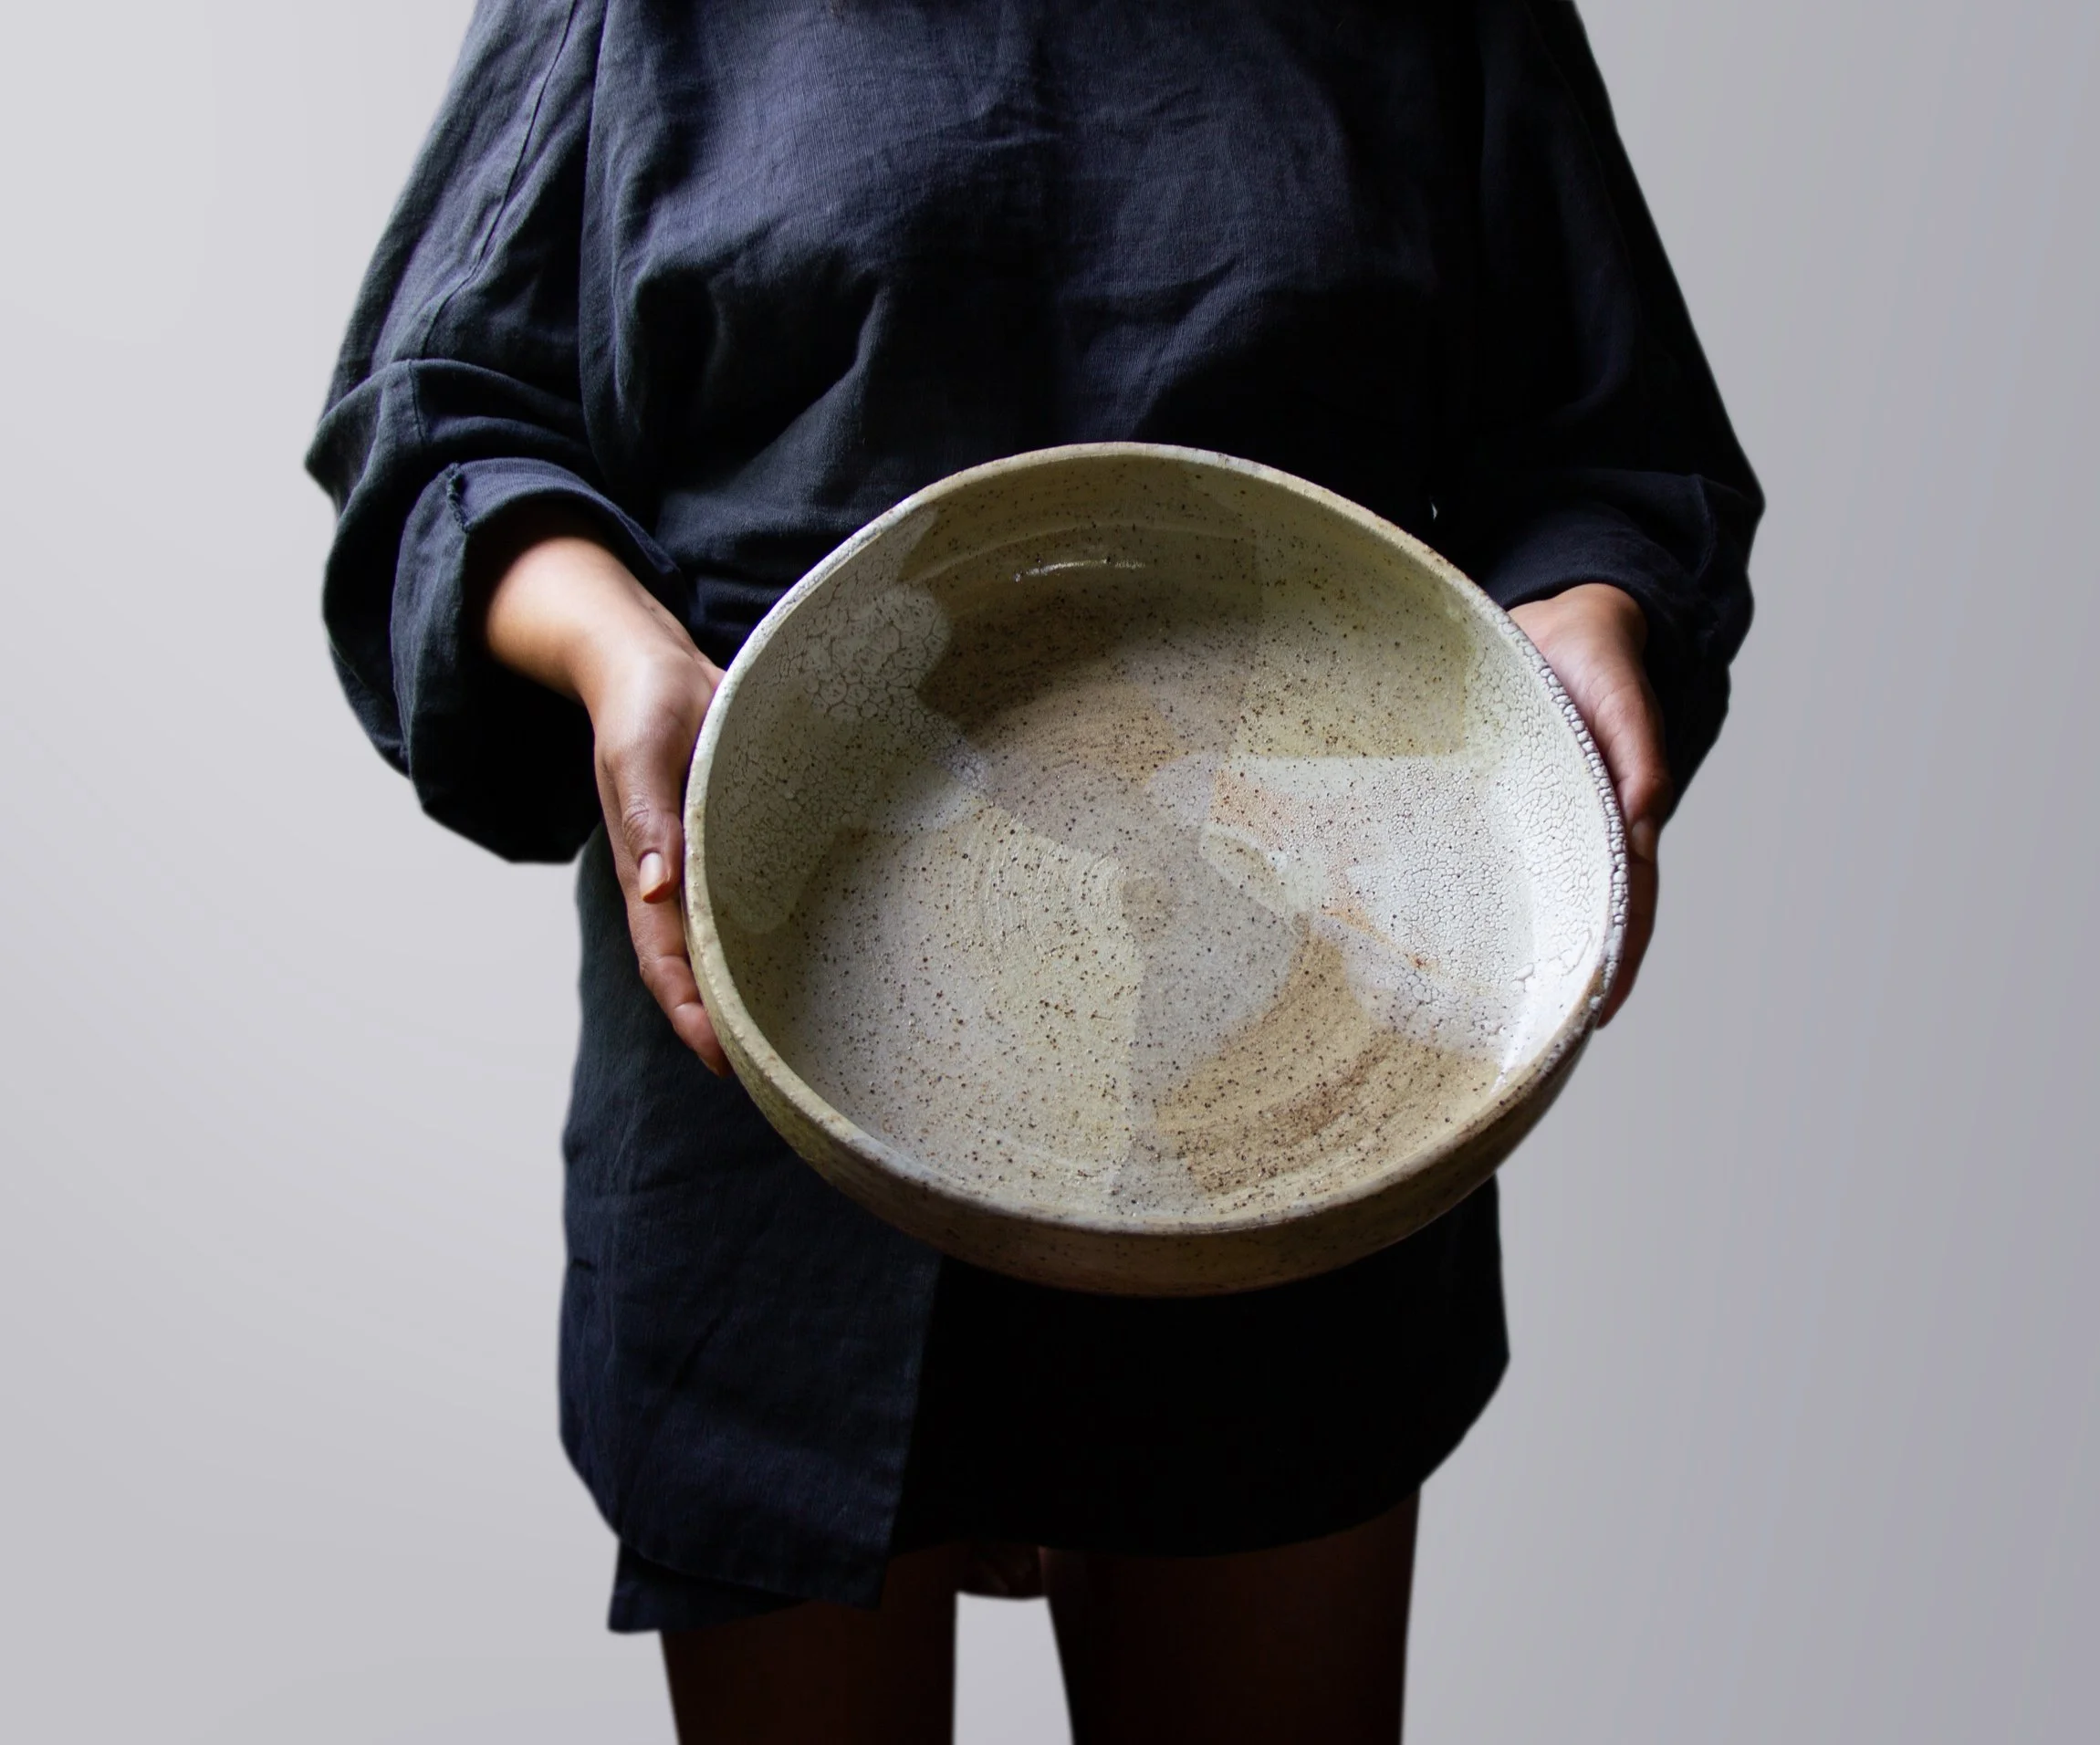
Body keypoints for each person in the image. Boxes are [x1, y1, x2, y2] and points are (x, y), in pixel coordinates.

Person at [308, 3, 1758, 1739]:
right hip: (777, 1023)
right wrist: (621, 655)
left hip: (1307, 1053)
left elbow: (1604, 443)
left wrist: (1591, 622)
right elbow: (441, 431)